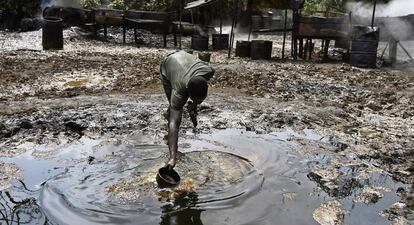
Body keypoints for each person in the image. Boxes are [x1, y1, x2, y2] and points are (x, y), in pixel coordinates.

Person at [160, 50, 214, 169]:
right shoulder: (179, 92)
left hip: (184, 57)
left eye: (201, 100)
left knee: (179, 105)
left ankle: (190, 107)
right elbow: (175, 124)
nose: (200, 103)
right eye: (196, 100)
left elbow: (199, 86)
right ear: (187, 95)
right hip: (168, 65)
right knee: (174, 112)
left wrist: (194, 104)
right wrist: (172, 158)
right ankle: (168, 117)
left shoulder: (208, 71)